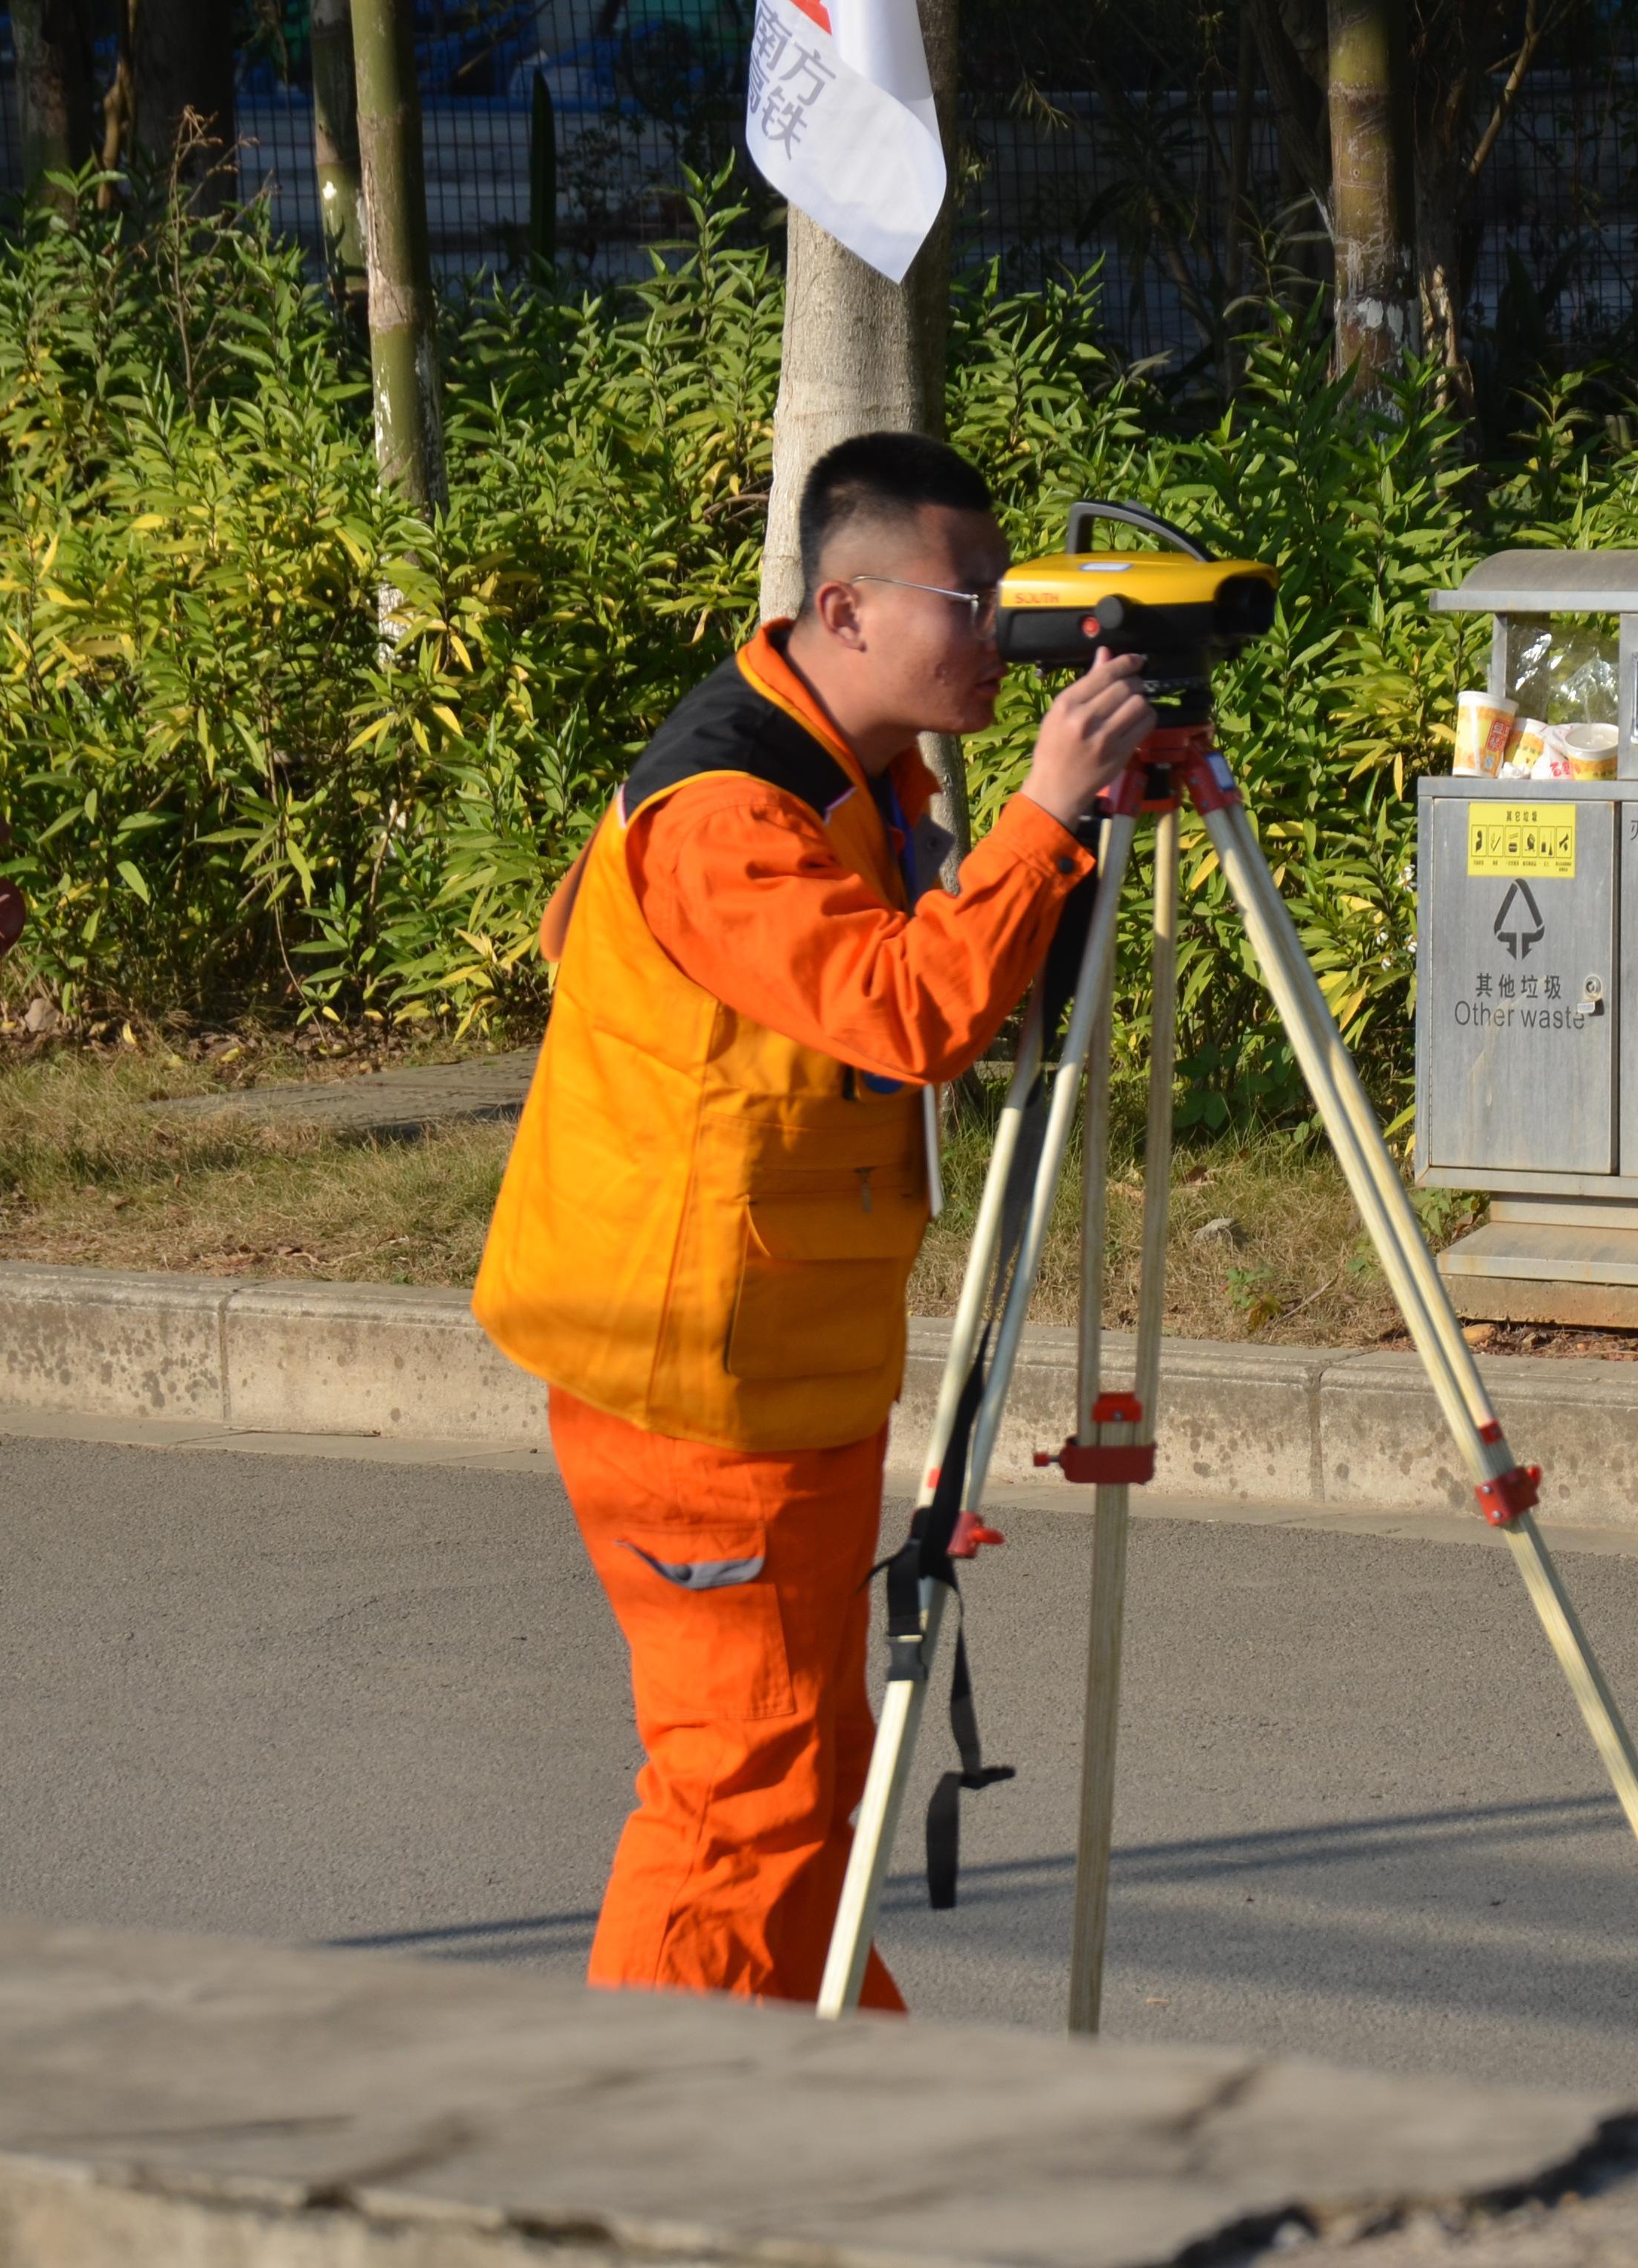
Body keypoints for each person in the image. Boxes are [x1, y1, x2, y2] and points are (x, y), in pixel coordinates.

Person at [475, 431, 1158, 2010]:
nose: (1003, 631)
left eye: (1006, 593)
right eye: (970, 600)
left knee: (809, 1780)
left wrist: (1049, 838)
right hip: (690, 1380)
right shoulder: (730, 809)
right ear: (842, 609)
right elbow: (911, 1014)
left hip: (786, 1361)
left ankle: (816, 2095)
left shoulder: (855, 774)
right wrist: (1048, 814)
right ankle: (653, 2129)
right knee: (742, 1800)